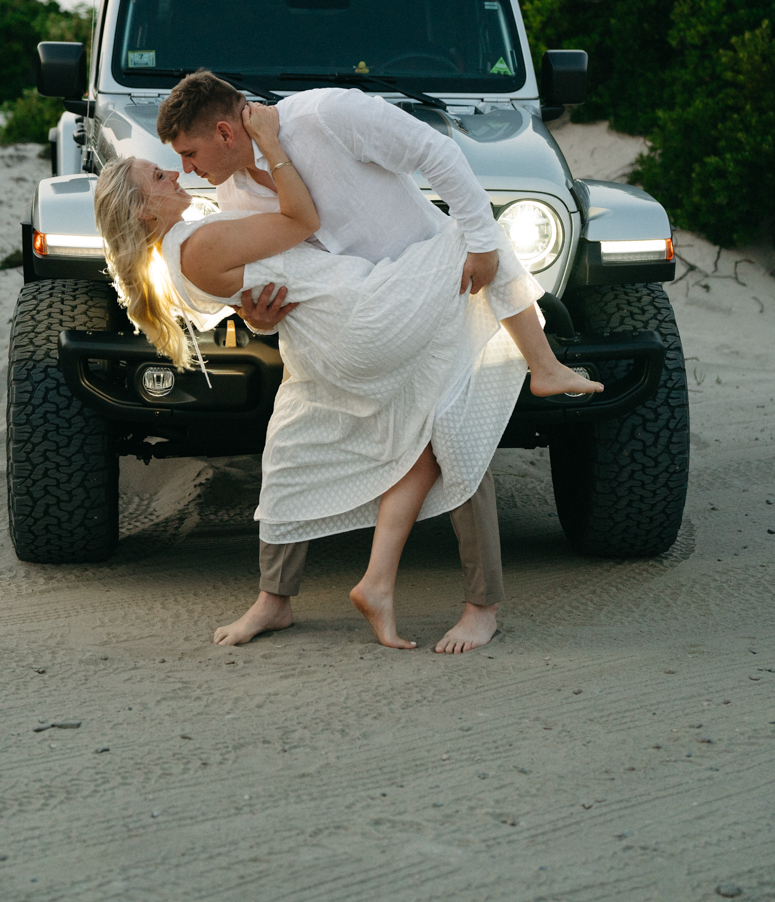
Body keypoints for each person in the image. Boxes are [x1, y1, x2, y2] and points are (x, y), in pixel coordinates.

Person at [94, 100, 601, 650]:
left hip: (342, 328)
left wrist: (254, 312)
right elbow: (299, 229)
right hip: (366, 315)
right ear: (145, 212)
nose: (181, 171)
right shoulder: (209, 229)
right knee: (477, 238)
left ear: (222, 130)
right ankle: (544, 365)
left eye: (183, 157)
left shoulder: (324, 119)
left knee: (296, 452)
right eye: (162, 173)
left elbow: (248, 288)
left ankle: (325, 594)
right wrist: (272, 154)